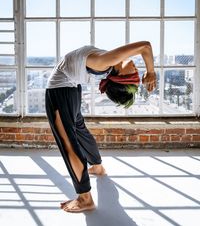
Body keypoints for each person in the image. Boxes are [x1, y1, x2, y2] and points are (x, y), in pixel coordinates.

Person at [45, 41, 156, 213]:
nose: (136, 70)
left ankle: (84, 198)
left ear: (119, 75)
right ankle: (97, 167)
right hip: (71, 89)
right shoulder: (110, 61)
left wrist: (151, 72)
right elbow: (142, 49)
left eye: (132, 75)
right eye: (135, 75)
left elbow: (145, 47)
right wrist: (148, 72)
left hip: (60, 91)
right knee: (80, 131)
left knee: (68, 144)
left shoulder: (106, 61)